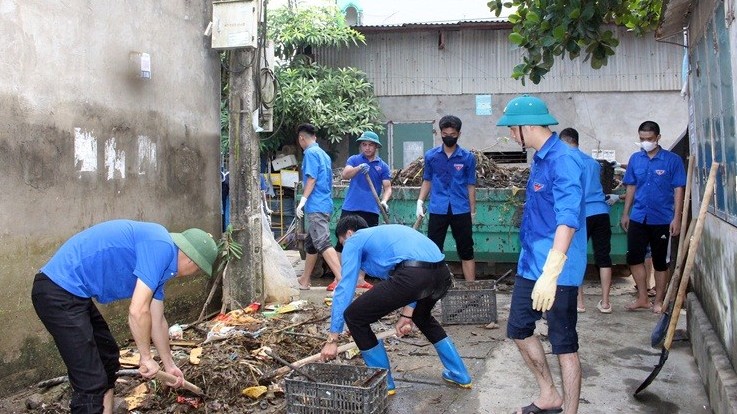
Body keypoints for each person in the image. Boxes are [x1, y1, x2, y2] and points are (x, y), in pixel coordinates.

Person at [31, 219, 219, 414]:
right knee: (90, 382)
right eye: (198, 269)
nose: (193, 274)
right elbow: (138, 311)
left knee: (108, 359)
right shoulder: (160, 246)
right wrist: (146, 357)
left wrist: (169, 365)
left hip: (74, 295)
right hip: (57, 291)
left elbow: (157, 320)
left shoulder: (162, 263)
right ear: (191, 260)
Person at [496, 95, 587, 414]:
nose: (510, 134)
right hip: (530, 264)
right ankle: (549, 393)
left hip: (556, 268)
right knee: (519, 328)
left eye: (512, 128)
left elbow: (567, 219)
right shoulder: (541, 158)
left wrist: (552, 272)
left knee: (564, 343)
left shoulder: (564, 159)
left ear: (528, 126)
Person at [320, 215, 472, 395]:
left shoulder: (355, 240)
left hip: (415, 275)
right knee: (422, 317)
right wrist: (407, 316)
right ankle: (460, 374)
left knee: (354, 316)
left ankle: (383, 382)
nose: (345, 250)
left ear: (349, 234)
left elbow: (345, 288)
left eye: (342, 244)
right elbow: (413, 277)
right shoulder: (385, 236)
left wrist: (333, 339)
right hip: (442, 275)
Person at [620, 120, 686, 313]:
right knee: (634, 258)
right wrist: (626, 213)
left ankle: (658, 300)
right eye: (641, 139)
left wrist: (677, 218)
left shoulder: (672, 160)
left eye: (649, 139)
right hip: (639, 217)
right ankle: (642, 297)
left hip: (662, 219)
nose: (645, 142)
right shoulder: (635, 159)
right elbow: (631, 186)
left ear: (658, 138)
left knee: (660, 262)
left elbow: (678, 190)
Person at [559, 128, 614, 314]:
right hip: (601, 212)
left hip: (581, 214)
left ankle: (579, 303)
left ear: (564, 142)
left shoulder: (567, 161)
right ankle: (606, 303)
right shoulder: (592, 162)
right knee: (604, 257)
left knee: (577, 255)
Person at [416, 115, 477, 281]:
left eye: (452, 134)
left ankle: (471, 288)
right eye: (445, 133)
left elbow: (470, 185)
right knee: (433, 249)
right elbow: (427, 180)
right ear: (440, 133)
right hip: (438, 208)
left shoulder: (468, 158)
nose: (448, 137)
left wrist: (472, 211)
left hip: (461, 209)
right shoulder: (431, 156)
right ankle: (431, 286)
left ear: (459, 134)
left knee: (466, 250)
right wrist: (420, 201)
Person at [337, 130, 393, 289]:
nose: (367, 148)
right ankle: (340, 277)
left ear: (376, 147)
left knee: (367, 245)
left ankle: (360, 279)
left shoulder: (382, 166)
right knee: (342, 242)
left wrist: (384, 201)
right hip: (351, 207)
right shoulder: (354, 159)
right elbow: (345, 174)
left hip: (371, 210)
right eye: (364, 144)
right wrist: (359, 168)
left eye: (370, 145)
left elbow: (388, 187)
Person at [294, 123, 343, 291]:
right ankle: (305, 279)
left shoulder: (310, 154)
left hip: (316, 205)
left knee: (322, 242)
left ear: (302, 138)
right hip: (325, 203)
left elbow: (311, 179)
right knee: (311, 244)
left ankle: (342, 280)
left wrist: (303, 200)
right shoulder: (323, 154)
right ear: (314, 137)